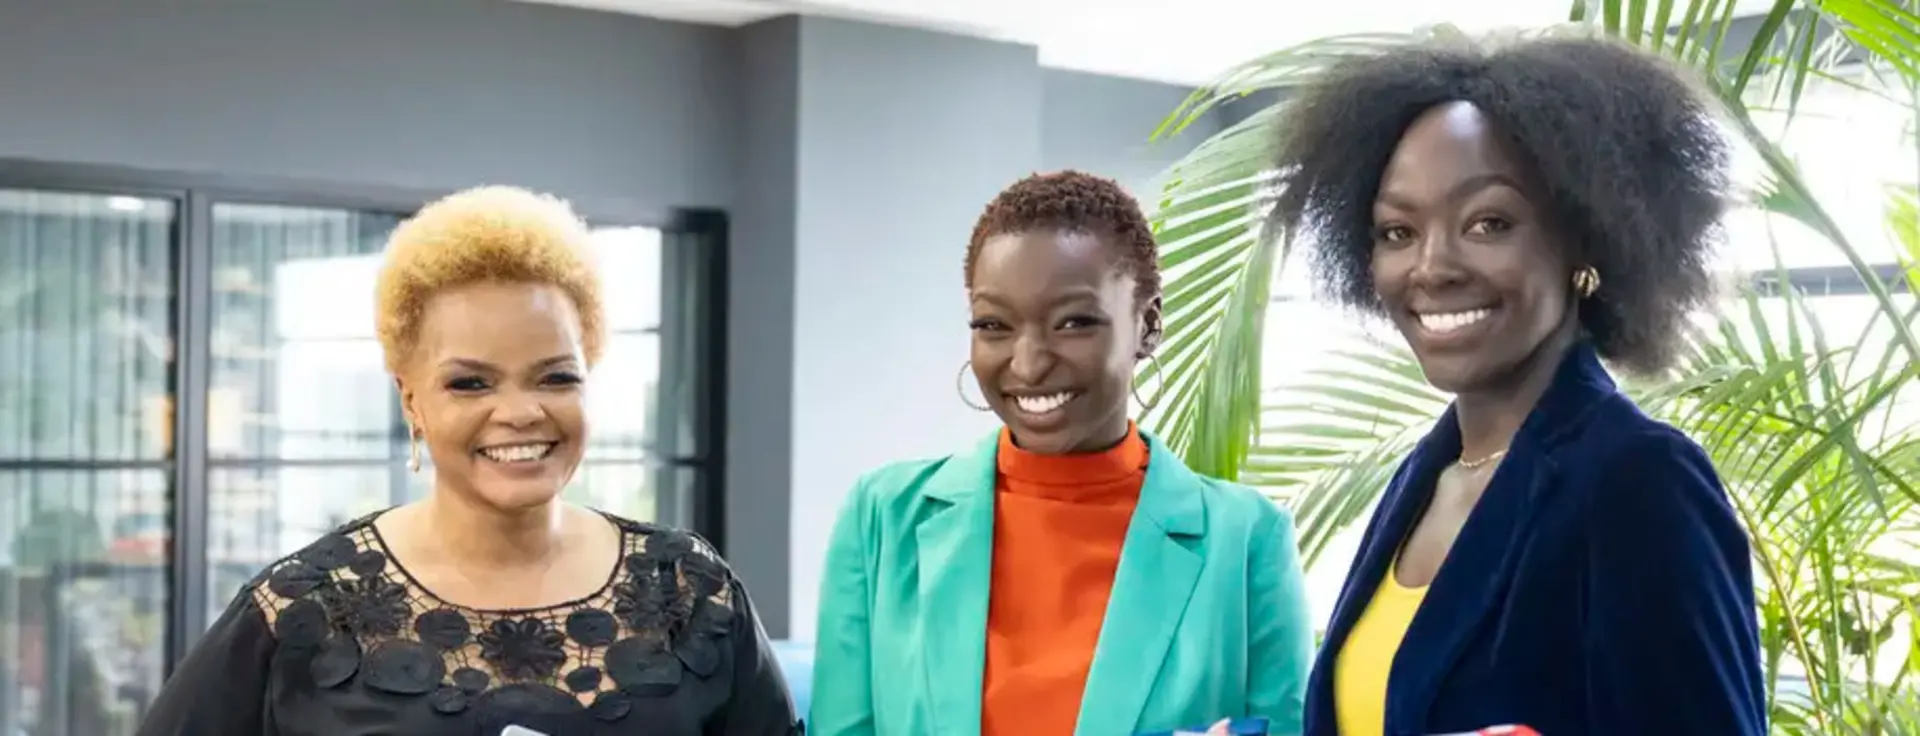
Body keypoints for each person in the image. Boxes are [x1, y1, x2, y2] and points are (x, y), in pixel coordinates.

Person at [135, 186, 799, 735]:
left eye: (556, 378)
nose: (520, 412)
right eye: (471, 383)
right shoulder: (306, 610)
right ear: (412, 400)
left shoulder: (689, 592)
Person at [1266, 35, 1767, 735]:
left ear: (1586, 241)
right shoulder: (1426, 477)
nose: (1432, 266)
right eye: (1398, 231)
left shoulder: (1638, 480)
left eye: (1489, 223)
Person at [808, 170, 1315, 736]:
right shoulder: (882, 518)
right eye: (993, 325)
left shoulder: (1247, 540)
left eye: (1073, 322)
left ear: (1148, 325)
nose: (1027, 363)